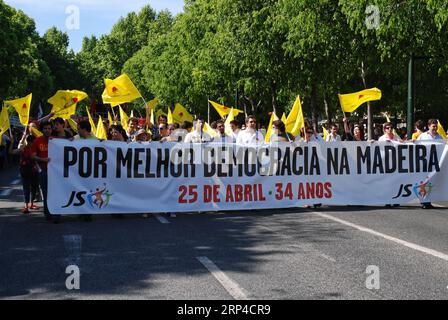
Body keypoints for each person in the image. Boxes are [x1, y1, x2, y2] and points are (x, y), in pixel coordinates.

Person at [30, 121, 56, 222]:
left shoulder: (56, 140)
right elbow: (32, 156)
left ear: (52, 129)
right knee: (45, 193)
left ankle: (55, 211)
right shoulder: (37, 141)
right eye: (45, 128)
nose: (47, 130)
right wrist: (43, 160)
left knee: (55, 192)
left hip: (56, 173)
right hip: (43, 171)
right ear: (42, 129)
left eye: (49, 128)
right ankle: (47, 212)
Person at [9, 129, 39, 214]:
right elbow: (11, 152)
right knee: (26, 188)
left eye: (33, 142)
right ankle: (26, 206)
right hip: (25, 171)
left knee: (34, 188)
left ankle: (31, 204)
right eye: (31, 142)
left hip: (34, 171)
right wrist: (11, 142)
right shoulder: (22, 149)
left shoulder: (36, 150)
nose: (32, 144)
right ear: (28, 142)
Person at [417, 119, 443, 209]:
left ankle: (428, 201)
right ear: (428, 126)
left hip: (434, 164)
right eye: (433, 126)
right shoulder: (423, 136)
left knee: (431, 182)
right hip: (424, 163)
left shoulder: (439, 137)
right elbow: (416, 146)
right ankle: (424, 201)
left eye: (436, 126)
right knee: (424, 182)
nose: (435, 128)